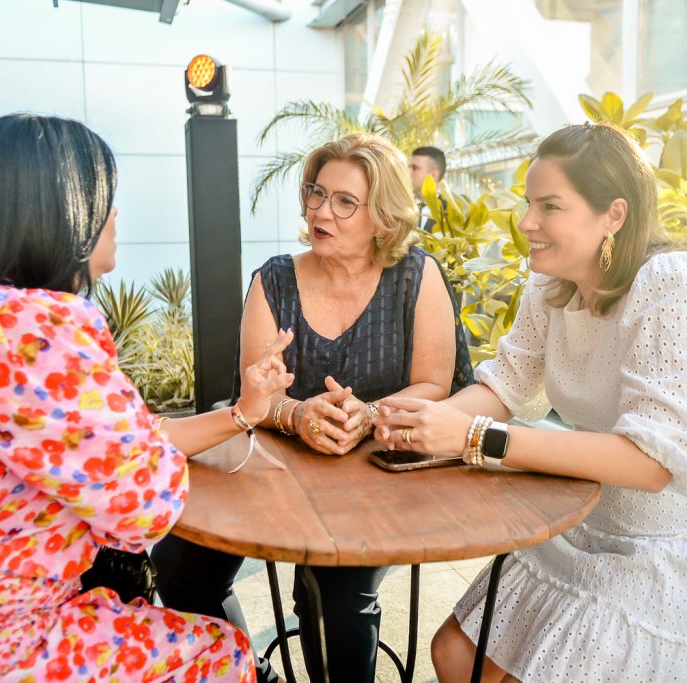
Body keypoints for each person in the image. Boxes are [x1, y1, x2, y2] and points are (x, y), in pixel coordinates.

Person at [0, 113, 297, 682]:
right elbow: (141, 504)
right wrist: (152, 457)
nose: (117, 214)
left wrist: (246, 409)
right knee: (220, 653)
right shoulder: (30, 324)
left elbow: (132, 442)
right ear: (61, 211)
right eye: (105, 196)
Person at [374, 122, 687, 682]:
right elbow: (506, 386)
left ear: (613, 215)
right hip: (599, 521)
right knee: (455, 655)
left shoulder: (674, 286)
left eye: (550, 206)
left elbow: (654, 463)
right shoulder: (552, 285)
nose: (527, 224)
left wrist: (474, 438)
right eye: (528, 204)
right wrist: (404, 419)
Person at [152, 133, 475, 683]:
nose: (321, 211)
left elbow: (433, 383)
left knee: (332, 596)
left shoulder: (416, 277)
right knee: (179, 566)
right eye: (316, 193)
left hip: (379, 477)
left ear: (384, 217)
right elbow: (257, 395)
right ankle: (245, 670)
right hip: (274, 471)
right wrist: (297, 415)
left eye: (345, 202)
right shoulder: (274, 278)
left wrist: (367, 416)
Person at [410, 146, 446, 232]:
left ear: (433, 175)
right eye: (409, 167)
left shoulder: (451, 213)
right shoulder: (401, 207)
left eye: (415, 168)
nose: (409, 173)